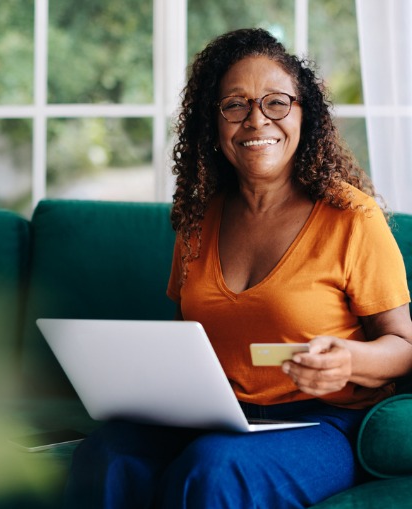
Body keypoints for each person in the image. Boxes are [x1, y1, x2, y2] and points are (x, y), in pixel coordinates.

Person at [63, 28, 412, 508]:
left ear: (304, 114)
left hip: (321, 421)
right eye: (235, 105)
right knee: (106, 454)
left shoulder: (351, 216)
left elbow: (404, 344)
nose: (256, 121)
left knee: (215, 468)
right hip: (219, 415)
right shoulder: (198, 219)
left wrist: (348, 361)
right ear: (214, 121)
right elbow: (183, 338)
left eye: (276, 103)